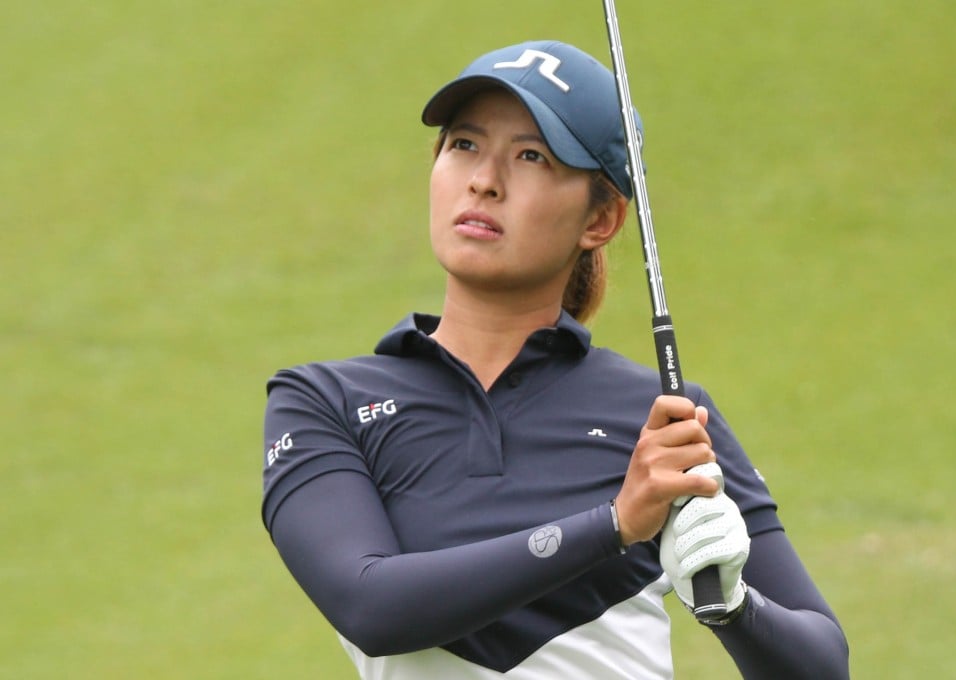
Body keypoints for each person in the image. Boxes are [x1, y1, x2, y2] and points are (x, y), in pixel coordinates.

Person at [261, 40, 850, 679]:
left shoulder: (662, 421)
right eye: (464, 145)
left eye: (531, 156)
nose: (484, 180)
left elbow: (822, 667)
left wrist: (733, 605)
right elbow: (371, 607)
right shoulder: (325, 401)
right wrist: (617, 525)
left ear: (600, 219)